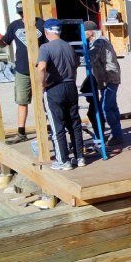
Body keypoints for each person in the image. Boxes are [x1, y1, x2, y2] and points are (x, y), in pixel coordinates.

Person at [0, 1, 44, 144]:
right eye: (20, 13)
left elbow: (49, 46)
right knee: (22, 101)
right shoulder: (14, 25)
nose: (23, 15)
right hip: (22, 70)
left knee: (44, 101)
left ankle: (47, 128)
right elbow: (4, 43)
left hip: (40, 69)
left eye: (24, 12)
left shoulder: (41, 24)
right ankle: (21, 133)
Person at [36, 19, 83, 170]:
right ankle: (80, 157)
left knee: (58, 127)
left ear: (47, 32)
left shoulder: (45, 47)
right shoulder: (69, 46)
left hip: (54, 88)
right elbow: (76, 65)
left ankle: (63, 160)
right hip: (71, 86)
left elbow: (42, 67)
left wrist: (42, 84)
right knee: (74, 124)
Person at [82, 20, 124, 152]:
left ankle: (116, 135)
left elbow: (90, 58)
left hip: (109, 78)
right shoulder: (99, 40)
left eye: (84, 32)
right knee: (112, 106)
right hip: (106, 78)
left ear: (89, 31)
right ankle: (117, 133)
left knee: (106, 107)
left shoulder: (99, 42)